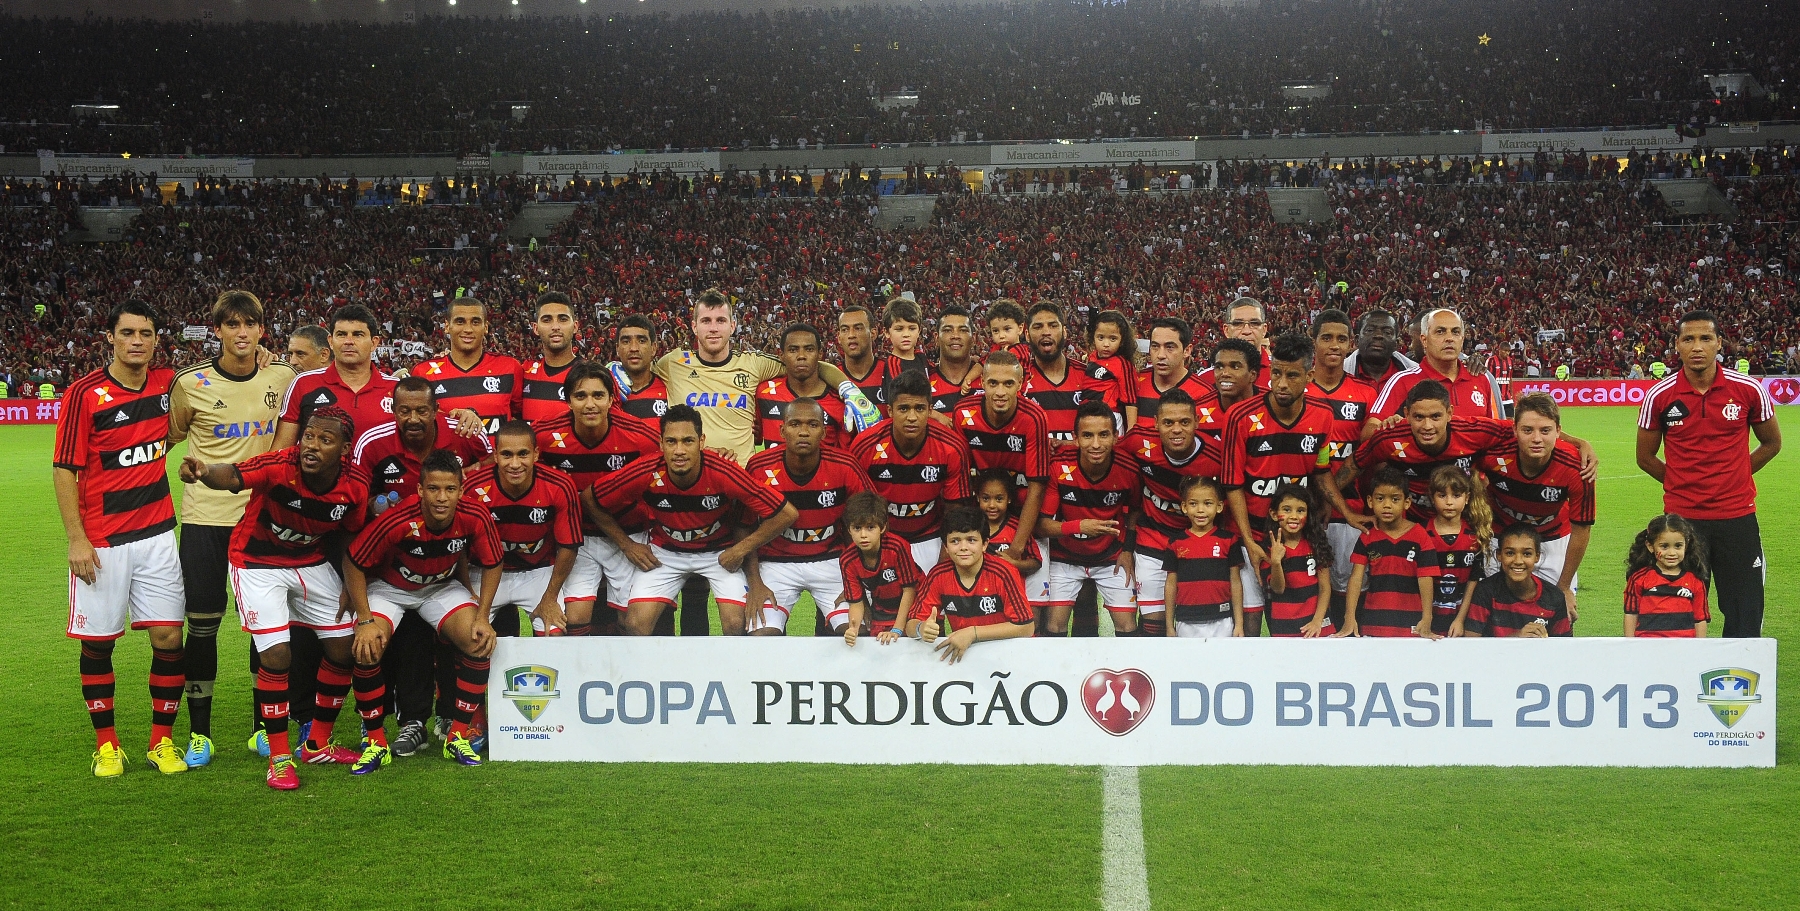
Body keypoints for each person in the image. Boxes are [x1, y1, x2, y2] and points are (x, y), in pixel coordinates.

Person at [178, 408, 370, 788]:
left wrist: (351, 586)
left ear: (345, 449)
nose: (311, 446)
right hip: (256, 562)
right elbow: (234, 474)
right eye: (309, 436)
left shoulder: (355, 486)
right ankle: (280, 758)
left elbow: (349, 538)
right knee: (277, 655)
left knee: (344, 650)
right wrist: (203, 472)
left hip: (310, 561)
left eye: (325, 440)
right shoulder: (281, 464)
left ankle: (317, 743)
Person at [56, 299, 189, 778]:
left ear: (156, 339)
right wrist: (77, 539)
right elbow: (65, 469)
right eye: (128, 332)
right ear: (110, 337)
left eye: (146, 333)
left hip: (157, 535)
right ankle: (107, 744)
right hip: (104, 541)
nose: (137, 341)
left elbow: (172, 433)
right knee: (98, 644)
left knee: (169, 638)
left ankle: (162, 742)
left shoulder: (167, 384)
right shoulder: (84, 394)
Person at [167, 291, 298, 766]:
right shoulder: (190, 383)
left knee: (264, 630)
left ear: (262, 331)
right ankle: (200, 733)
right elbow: (170, 436)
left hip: (262, 517)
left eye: (251, 325)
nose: (242, 333)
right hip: (206, 519)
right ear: (217, 330)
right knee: (201, 625)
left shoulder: (282, 377)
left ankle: (263, 727)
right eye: (232, 325)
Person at [351, 375, 493, 755]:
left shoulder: (461, 434)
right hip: (390, 571)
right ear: (393, 409)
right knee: (379, 644)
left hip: (444, 570)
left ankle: (454, 725)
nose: (413, 418)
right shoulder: (375, 443)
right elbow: (356, 499)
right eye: (404, 410)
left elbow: (494, 461)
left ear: (436, 411)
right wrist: (362, 610)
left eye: (422, 411)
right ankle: (390, 728)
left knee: (473, 639)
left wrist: (467, 489)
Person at [343, 450, 505, 772]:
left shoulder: (475, 514)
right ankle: (376, 742)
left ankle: (456, 735)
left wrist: (483, 616)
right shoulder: (398, 519)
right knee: (367, 648)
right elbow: (353, 561)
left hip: (440, 587)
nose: (441, 498)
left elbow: (494, 562)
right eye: (433, 489)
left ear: (461, 489)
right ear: (420, 490)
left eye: (449, 489)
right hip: (389, 589)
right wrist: (364, 619)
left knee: (478, 641)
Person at [588, 405, 799, 636]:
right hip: (665, 552)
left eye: (687, 441)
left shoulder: (723, 471)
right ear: (661, 444)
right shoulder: (646, 470)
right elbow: (590, 499)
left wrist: (740, 549)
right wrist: (626, 545)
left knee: (736, 623)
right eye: (671, 442)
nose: (679, 450)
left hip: (718, 553)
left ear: (701, 441)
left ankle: (724, 673)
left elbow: (786, 513)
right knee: (635, 624)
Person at [1637, 309, 1781, 638]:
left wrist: (1738, 475)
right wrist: (1680, 484)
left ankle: (1740, 685)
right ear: (1677, 346)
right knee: (1681, 612)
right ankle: (1685, 683)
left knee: (1744, 610)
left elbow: (1772, 442)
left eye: (1705, 338)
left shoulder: (1748, 389)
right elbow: (1645, 457)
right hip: (1683, 521)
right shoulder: (1659, 396)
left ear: (1719, 343)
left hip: (1737, 517)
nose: (1697, 346)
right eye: (1688, 339)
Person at [1220, 332, 1365, 637]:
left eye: (1292, 375)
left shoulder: (1323, 416)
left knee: (1294, 615)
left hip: (1297, 535)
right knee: (1249, 619)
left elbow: (1322, 471)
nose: (1281, 383)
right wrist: (1249, 540)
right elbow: (1233, 485)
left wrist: (1346, 512)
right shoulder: (1240, 416)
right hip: (1253, 534)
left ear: (1309, 375)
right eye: (1276, 373)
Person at [649, 288, 871, 465]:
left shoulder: (753, 363)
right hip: (691, 473)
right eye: (706, 321)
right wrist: (613, 369)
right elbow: (638, 372)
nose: (714, 328)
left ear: (733, 326)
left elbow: (808, 365)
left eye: (721, 321)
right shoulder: (673, 363)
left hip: (742, 476)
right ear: (694, 327)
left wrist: (848, 390)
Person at [539, 362, 662, 635]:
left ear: (611, 399)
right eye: (580, 396)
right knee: (575, 617)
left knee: (632, 621)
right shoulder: (544, 436)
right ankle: (584, 675)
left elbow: (679, 457)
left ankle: (626, 676)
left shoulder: (640, 437)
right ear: (568, 400)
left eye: (598, 395)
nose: (590, 404)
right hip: (578, 539)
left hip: (630, 534)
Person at [744, 398, 870, 635]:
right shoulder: (759, 467)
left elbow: (869, 523)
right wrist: (755, 583)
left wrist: (859, 580)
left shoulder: (845, 466)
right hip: (776, 563)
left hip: (832, 561)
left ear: (823, 432)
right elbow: (744, 528)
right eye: (795, 424)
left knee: (855, 633)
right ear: (782, 430)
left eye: (812, 425)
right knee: (761, 638)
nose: (803, 432)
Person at [461, 421, 584, 639]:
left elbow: (568, 546)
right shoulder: (472, 487)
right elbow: (459, 545)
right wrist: (468, 590)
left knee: (553, 633)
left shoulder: (560, 485)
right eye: (507, 455)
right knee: (470, 636)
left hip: (537, 572)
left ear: (536, 454)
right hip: (484, 573)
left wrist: (550, 597)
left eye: (523, 454)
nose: (515, 464)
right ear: (495, 456)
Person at [1477, 392, 1593, 618]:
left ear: (1559, 432)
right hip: (1500, 538)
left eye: (1545, 431)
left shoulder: (1579, 467)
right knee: (1495, 618)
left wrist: (1565, 586)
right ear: (1514, 430)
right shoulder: (1492, 452)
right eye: (1527, 430)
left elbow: (1582, 530)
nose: (1536, 438)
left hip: (1553, 540)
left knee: (1558, 615)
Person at [949, 349, 1053, 594]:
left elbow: (1037, 487)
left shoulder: (1034, 417)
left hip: (1024, 517)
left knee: (1035, 599)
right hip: (983, 511)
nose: (999, 392)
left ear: (1020, 383)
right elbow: (961, 480)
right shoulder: (963, 413)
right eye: (993, 383)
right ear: (982, 382)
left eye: (1008, 384)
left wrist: (1016, 548)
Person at [1341, 380, 1516, 524]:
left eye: (1435, 417)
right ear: (1406, 414)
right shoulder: (1390, 438)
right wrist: (1340, 509)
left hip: (1465, 524)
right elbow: (1352, 465)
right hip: (1414, 526)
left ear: (1449, 414)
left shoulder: (1475, 431)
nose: (1427, 426)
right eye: (1419, 417)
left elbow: (1521, 430)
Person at [850, 371, 974, 571]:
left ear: (930, 410)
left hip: (930, 537)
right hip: (881, 539)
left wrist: (943, 565)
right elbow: (859, 511)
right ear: (890, 410)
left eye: (919, 408)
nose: (912, 417)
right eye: (904, 408)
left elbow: (955, 512)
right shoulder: (865, 446)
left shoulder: (952, 447)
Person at [1121, 388, 1220, 638]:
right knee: (1153, 624)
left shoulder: (1217, 458)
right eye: (1168, 422)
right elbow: (1105, 452)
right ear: (1155, 423)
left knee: (1201, 625)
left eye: (1184, 422)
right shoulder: (1138, 441)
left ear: (1197, 422)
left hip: (1198, 545)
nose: (1176, 430)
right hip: (1152, 540)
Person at [1036, 401, 1139, 635]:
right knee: (1053, 626)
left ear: (1116, 437)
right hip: (1065, 559)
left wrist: (1127, 550)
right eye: (1087, 436)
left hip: (1112, 558)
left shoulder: (1128, 469)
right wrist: (1079, 526)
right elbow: (1041, 526)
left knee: (1128, 627)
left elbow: (1135, 510)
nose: (1095, 444)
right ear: (1075, 438)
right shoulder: (1059, 467)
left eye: (1103, 435)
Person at [1306, 309, 1379, 627]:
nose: (1334, 346)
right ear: (1314, 343)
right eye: (1326, 338)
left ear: (1351, 344)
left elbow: (1366, 455)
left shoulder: (1366, 393)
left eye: (1341, 339)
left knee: (1350, 593)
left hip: (1350, 510)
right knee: (1306, 597)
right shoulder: (1298, 390)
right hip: (1304, 512)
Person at [906, 506, 1036, 664]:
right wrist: (921, 628)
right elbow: (911, 625)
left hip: (1010, 656)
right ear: (946, 547)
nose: (963, 547)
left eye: (971, 540)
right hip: (966, 658)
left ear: (985, 544)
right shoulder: (938, 575)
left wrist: (973, 633)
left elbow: (1026, 627)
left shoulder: (1003, 573)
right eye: (955, 541)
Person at [275, 304, 398, 450]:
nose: (349, 341)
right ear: (331, 341)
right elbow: (282, 450)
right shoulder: (303, 384)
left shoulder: (396, 389)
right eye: (341, 334)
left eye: (358, 334)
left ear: (374, 342)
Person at [1340, 467, 1440, 638]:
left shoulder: (1420, 535)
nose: (1387, 505)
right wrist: (1349, 617)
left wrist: (1427, 618)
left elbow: (1425, 578)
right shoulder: (1367, 536)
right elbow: (1356, 579)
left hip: (1412, 624)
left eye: (1395, 499)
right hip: (1374, 622)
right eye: (1380, 498)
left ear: (1406, 502)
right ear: (1370, 501)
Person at [411, 296, 521, 435]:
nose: (468, 329)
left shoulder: (509, 367)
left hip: (495, 456)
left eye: (475, 322)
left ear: (485, 327)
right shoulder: (423, 372)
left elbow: (521, 418)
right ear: (447, 326)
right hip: (446, 456)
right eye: (460, 321)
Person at [1370, 308, 1504, 421]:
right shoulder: (1402, 381)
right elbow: (1370, 430)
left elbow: (1498, 432)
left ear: (1462, 339)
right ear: (1424, 340)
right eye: (1440, 331)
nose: (1449, 338)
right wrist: (1395, 427)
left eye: (1455, 332)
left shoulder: (1481, 378)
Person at [1022, 301, 1121, 443]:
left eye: (1053, 325)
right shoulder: (1019, 380)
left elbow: (1104, 438)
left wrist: (1064, 444)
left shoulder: (1089, 376)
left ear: (1064, 332)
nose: (1046, 332)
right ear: (1027, 335)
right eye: (1038, 327)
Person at [1161, 476, 1243, 638]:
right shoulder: (1176, 542)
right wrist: (1169, 626)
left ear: (1219, 506)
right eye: (1193, 504)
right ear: (1184, 507)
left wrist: (1239, 624)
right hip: (1187, 621)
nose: (1200, 510)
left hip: (1222, 619)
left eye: (1207, 503)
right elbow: (1170, 585)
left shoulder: (1229, 540)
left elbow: (1235, 582)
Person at [838, 492, 922, 646]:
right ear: (849, 530)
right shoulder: (847, 560)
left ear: (882, 527)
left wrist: (897, 629)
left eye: (870, 527)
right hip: (882, 609)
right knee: (880, 645)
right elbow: (856, 602)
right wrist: (853, 629)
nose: (863, 535)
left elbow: (910, 589)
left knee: (913, 643)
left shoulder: (896, 547)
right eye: (857, 528)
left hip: (915, 605)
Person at [1462, 525, 1572, 638]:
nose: (1518, 561)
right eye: (1510, 553)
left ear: (1537, 556)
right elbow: (1471, 643)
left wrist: (1543, 642)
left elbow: (1564, 647)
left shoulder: (1554, 597)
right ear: (1499, 555)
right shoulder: (1485, 591)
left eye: (1527, 554)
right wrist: (1517, 638)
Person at [754, 324, 849, 449]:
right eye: (793, 350)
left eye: (809, 349)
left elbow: (844, 456)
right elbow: (755, 437)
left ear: (820, 354)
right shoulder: (764, 393)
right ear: (781, 355)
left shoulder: (839, 401)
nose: (801, 356)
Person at [1422, 466, 1491, 637]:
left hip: (1459, 620)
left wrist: (1460, 620)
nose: (1449, 502)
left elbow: (1473, 582)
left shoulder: (1475, 537)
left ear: (1467, 498)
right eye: (1442, 495)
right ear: (1432, 497)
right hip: (1425, 619)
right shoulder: (1421, 534)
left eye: (1456, 495)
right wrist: (1425, 618)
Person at [1262, 484, 1335, 638]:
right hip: (1285, 627)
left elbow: (1324, 587)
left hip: (1318, 626)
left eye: (1300, 510)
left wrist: (1317, 621)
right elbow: (1278, 589)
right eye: (1287, 510)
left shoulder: (1316, 544)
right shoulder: (1269, 548)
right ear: (1274, 514)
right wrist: (1276, 562)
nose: (1294, 516)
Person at [1623, 514, 1711, 639]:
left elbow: (1700, 619)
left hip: (1684, 648)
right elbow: (1631, 614)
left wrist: (1699, 647)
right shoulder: (1639, 579)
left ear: (1687, 544)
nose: (1671, 553)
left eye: (1678, 546)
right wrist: (1630, 644)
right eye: (1664, 546)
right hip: (1647, 647)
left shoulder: (1695, 581)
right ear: (1650, 546)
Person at [1135, 317, 1210, 431]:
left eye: (1169, 347)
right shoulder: (1134, 382)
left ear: (1187, 351)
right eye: (1155, 346)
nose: (1161, 355)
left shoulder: (1204, 394)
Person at [517, 291, 580, 424]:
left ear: (575, 327)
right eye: (547, 320)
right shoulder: (522, 374)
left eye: (563, 319)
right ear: (536, 328)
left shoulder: (592, 375)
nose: (555, 327)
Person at [974, 469, 1041, 579]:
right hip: (976, 591)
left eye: (999, 499)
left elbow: (1036, 562)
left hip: (1010, 591)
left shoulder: (1018, 528)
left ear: (1009, 498)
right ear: (977, 497)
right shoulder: (970, 525)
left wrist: (1013, 564)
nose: (992, 505)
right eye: (985, 498)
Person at [1085, 309, 1140, 430]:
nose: (1106, 344)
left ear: (1122, 341)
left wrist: (1131, 432)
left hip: (1110, 416)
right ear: (1093, 337)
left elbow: (1130, 401)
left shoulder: (1123, 365)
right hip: (1086, 416)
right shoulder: (1092, 357)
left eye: (1113, 339)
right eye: (1100, 337)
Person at [1195, 339, 1259, 442]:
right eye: (1219, 367)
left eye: (1235, 367)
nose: (1225, 373)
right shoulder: (1197, 412)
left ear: (1252, 375)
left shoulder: (1271, 406)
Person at [611, 314, 669, 422]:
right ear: (617, 349)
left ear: (653, 348)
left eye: (642, 341)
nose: (633, 348)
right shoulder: (605, 392)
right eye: (626, 341)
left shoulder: (669, 389)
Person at [836, 303, 891, 416]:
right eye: (845, 329)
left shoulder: (891, 371)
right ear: (839, 337)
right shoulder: (831, 378)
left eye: (858, 328)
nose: (851, 335)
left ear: (873, 333)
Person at [1341, 309, 1416, 390]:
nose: (1378, 335)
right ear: (1357, 340)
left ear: (1396, 344)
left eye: (1387, 332)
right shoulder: (1338, 372)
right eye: (1370, 330)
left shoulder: (1416, 376)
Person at [926, 304, 978, 416]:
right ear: (936, 338)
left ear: (973, 338)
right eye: (948, 330)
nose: (955, 336)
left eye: (963, 330)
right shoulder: (924, 382)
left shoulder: (989, 379)